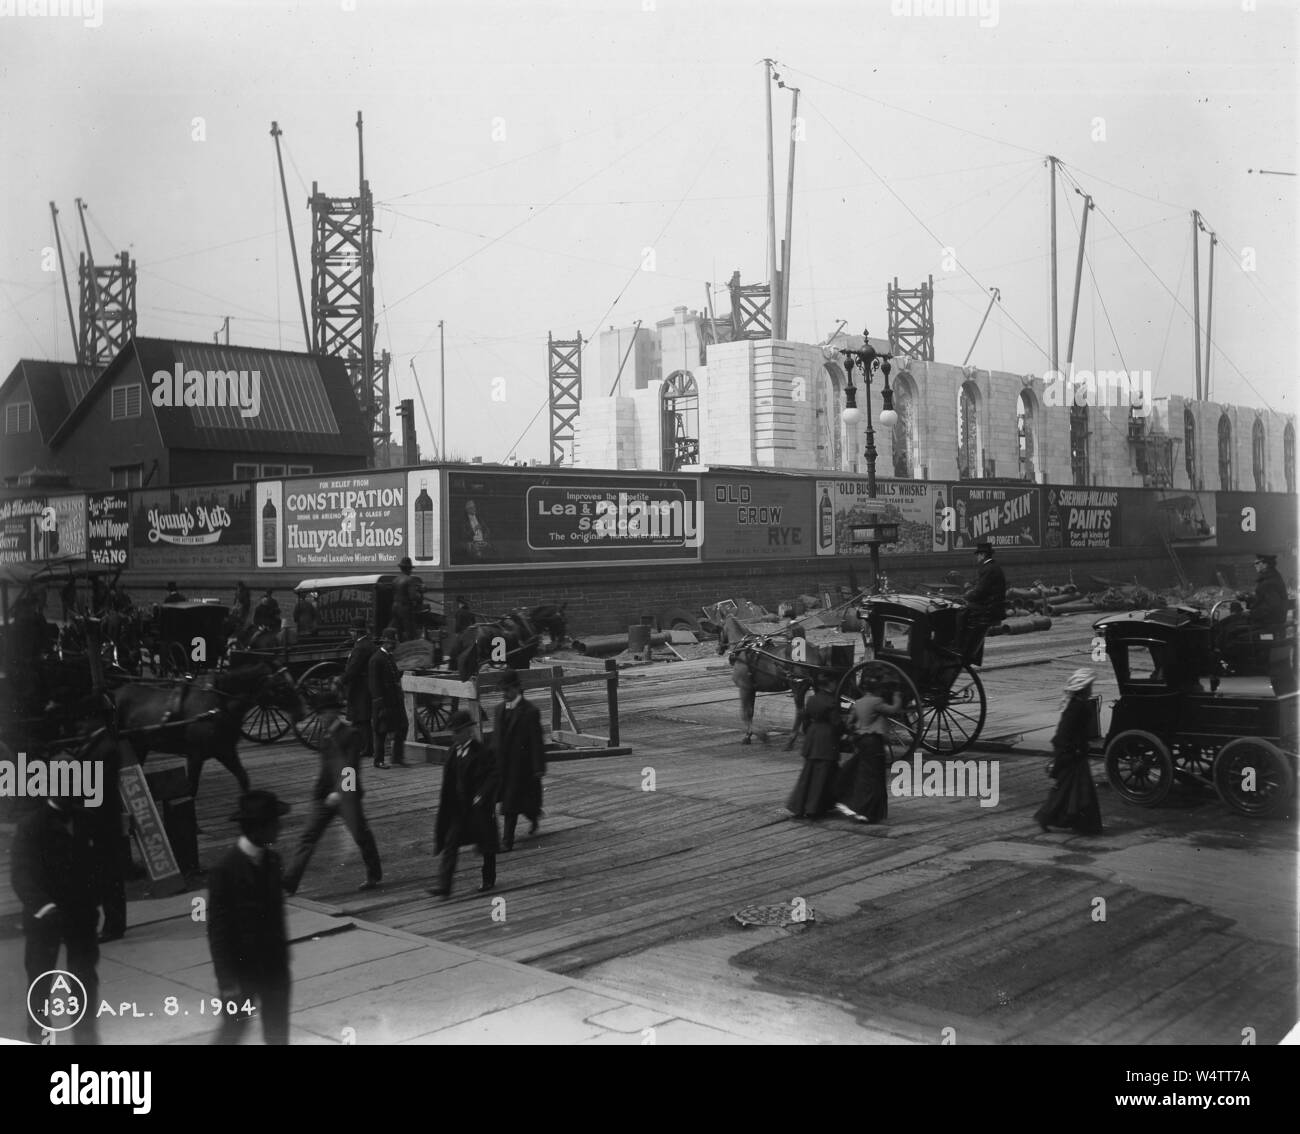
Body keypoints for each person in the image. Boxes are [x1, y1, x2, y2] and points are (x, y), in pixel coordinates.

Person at [10, 785, 102, 1043]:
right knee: (40, 985)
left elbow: (100, 865)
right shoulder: (31, 826)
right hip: (44, 919)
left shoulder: (86, 819)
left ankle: (86, 1040)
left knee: (84, 981)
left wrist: (94, 902)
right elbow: (21, 875)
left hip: (80, 917)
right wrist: (44, 907)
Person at [207, 790, 292, 1045]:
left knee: (277, 1035)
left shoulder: (274, 861)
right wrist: (226, 981)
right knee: (232, 1032)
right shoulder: (225, 869)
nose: (280, 827)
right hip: (240, 972)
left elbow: (277, 917)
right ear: (259, 828)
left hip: (274, 969)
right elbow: (218, 932)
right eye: (275, 823)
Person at [283, 689, 382, 896]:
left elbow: (352, 768)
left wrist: (339, 793)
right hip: (324, 796)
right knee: (308, 837)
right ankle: (289, 883)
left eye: (322, 713)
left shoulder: (350, 734)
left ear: (333, 712)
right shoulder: (324, 735)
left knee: (361, 835)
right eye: (318, 714)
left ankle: (374, 874)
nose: (320, 718)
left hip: (346, 797)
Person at [429, 710, 500, 897]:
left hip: (477, 808)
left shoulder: (481, 752)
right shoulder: (453, 752)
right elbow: (449, 781)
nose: (454, 736)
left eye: (457, 732)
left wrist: (482, 795)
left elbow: (493, 775)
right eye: (453, 732)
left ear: (468, 732)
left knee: (486, 845)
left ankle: (488, 879)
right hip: (459, 809)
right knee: (450, 843)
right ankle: (444, 886)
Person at [1035, 669, 1103, 835]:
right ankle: (1050, 817)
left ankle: (1075, 821)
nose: (1091, 690)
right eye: (1089, 686)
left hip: (1073, 751)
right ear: (1083, 688)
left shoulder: (1076, 705)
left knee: (1071, 789)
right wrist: (1073, 750)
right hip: (1071, 753)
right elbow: (1066, 734)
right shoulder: (1077, 707)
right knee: (1073, 789)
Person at [836, 677, 904, 823]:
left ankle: (855, 805)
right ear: (876, 689)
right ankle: (865, 810)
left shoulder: (858, 702)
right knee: (874, 777)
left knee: (863, 774)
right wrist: (897, 697)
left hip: (861, 741)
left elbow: (849, 722)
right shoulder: (877, 701)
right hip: (873, 741)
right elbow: (893, 710)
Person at [492, 668, 545, 851]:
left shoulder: (529, 712)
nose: (504, 694)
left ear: (517, 689)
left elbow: (537, 741)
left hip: (521, 767)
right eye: (502, 690)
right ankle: (533, 816)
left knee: (512, 805)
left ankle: (507, 841)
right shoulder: (498, 710)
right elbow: (496, 740)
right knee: (515, 802)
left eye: (507, 690)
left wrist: (539, 767)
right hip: (502, 766)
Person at [785, 673, 844, 820]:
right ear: (830, 684)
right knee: (821, 777)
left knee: (808, 775)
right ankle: (814, 808)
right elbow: (837, 724)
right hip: (826, 740)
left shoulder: (812, 699)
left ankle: (799, 807)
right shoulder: (832, 702)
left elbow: (805, 720)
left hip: (813, 737)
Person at [1245, 553, 1295, 695]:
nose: (1255, 566)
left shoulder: (1268, 583)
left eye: (1257, 563)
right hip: (1273, 623)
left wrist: (1252, 613)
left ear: (1264, 564)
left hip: (1268, 624)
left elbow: (1272, 607)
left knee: (1230, 629)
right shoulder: (1272, 578)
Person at [961, 541, 1008, 665]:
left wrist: (965, 597)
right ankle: (970, 651)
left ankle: (961, 649)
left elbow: (980, 592)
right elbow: (980, 587)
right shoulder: (992, 567)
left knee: (961, 612)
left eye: (978, 555)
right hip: (991, 605)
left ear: (982, 555)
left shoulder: (988, 569)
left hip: (989, 608)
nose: (977, 558)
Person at [369, 628, 407, 768]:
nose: (394, 645)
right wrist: (380, 705)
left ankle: (396, 758)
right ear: (385, 642)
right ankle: (378, 760)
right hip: (384, 703)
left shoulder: (389, 657)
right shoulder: (376, 659)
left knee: (402, 727)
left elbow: (395, 676)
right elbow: (374, 684)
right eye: (392, 643)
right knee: (381, 731)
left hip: (395, 700)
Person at [342, 617, 378, 764]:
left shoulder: (360, 647)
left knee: (361, 718)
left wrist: (341, 680)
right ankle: (363, 746)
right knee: (362, 719)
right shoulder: (366, 644)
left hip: (360, 688)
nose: (350, 634)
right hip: (364, 686)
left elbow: (353, 669)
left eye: (351, 631)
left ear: (356, 632)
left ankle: (366, 748)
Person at [390, 557, 422, 642]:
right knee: (409, 631)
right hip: (405, 608)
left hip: (395, 607)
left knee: (399, 631)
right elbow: (413, 596)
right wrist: (420, 594)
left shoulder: (395, 580)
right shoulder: (409, 580)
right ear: (408, 569)